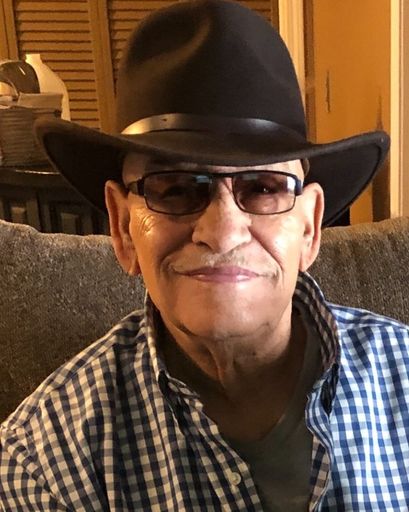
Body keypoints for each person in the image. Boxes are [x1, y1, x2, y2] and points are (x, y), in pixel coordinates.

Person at [0, 0, 407, 510]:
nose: (222, 232)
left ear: (309, 228)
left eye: (263, 188)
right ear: (123, 227)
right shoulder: (44, 461)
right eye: (174, 188)